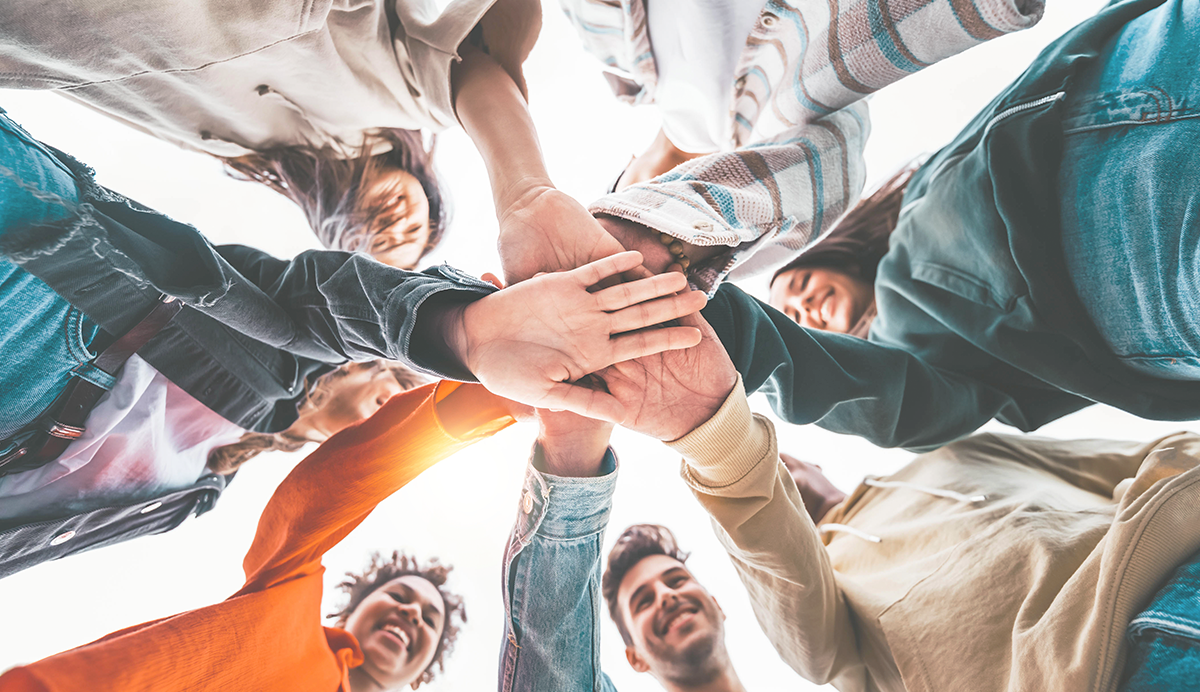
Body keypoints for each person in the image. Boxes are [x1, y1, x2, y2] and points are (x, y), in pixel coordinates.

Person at [0, 105, 708, 576]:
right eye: (395, 382)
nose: (390, 400)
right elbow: (317, 307)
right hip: (41, 268)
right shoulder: (279, 362)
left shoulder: (192, 496)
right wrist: (465, 327)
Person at [501, 308, 1200, 692]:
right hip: (1128, 664)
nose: (668, 600)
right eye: (643, 602)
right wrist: (718, 431)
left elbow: (1131, 463)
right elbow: (774, 551)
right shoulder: (828, 600)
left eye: (672, 580)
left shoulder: (954, 454)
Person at [693, 0, 1200, 450]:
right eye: (795, 316)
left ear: (834, 257)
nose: (803, 306)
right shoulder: (910, 363)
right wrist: (718, 327)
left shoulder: (918, 209)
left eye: (799, 283)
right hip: (1138, 284)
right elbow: (881, 405)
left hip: (1119, 91)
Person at [0, 379, 518, 691]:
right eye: (402, 596)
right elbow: (328, 491)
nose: (411, 613)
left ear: (422, 673)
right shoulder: (288, 602)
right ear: (350, 609)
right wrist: (483, 400)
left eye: (428, 619)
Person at [0, 0, 546, 267]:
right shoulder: (396, 100)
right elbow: (475, 76)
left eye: (384, 247)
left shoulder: (240, 152)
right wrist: (526, 193)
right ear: (424, 184)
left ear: (339, 239)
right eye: (417, 228)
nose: (400, 230)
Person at [558, 0, 1045, 290]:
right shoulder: (797, 120)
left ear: (621, 178)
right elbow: (819, 179)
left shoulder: (611, 47)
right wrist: (672, 247)